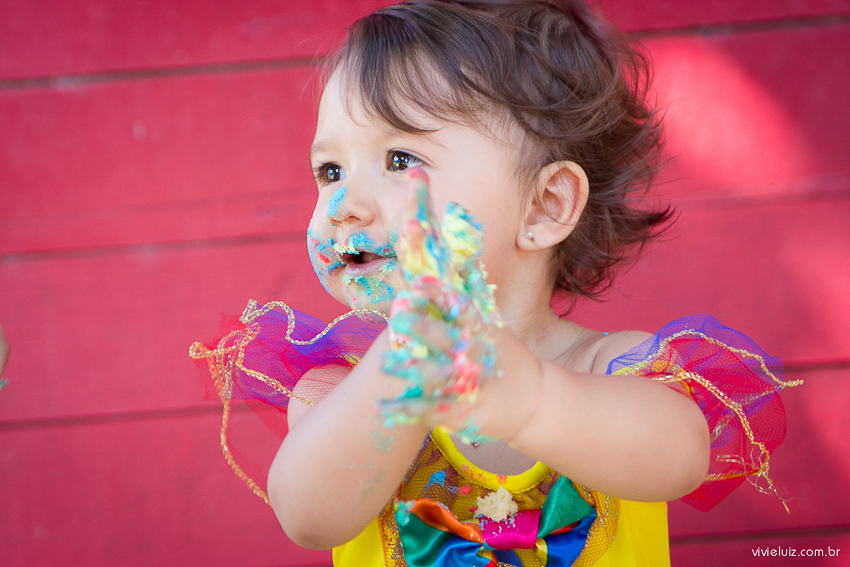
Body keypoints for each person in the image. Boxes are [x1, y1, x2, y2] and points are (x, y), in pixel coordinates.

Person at [191, 1, 798, 565]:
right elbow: (309, 518)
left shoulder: (612, 368)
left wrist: (532, 400)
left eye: (401, 160)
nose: (343, 205)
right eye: (330, 170)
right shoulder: (334, 392)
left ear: (544, 207)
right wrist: (400, 364)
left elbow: (681, 457)